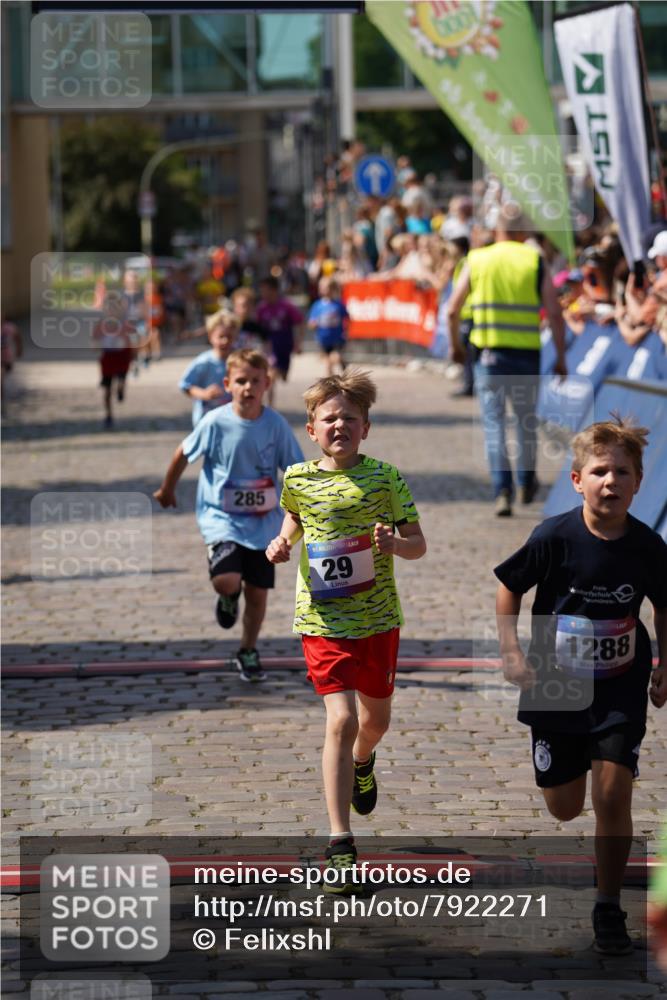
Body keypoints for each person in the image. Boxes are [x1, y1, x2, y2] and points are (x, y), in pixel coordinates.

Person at [494, 416, 667, 955]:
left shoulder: (647, 545)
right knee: (565, 806)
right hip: (557, 683)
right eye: (599, 471)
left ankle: (608, 905)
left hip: (621, 682)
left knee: (613, 793)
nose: (610, 481)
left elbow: (664, 604)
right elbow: (508, 586)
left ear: (639, 482)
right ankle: (574, 804)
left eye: (622, 472)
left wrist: (665, 662)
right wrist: (511, 650)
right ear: (576, 480)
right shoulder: (554, 535)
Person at [266, 370, 426, 889]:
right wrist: (282, 542)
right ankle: (340, 840)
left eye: (349, 419)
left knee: (373, 721)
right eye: (329, 418)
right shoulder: (297, 478)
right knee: (340, 719)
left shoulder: (387, 478)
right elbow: (294, 517)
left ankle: (364, 761)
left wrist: (393, 545)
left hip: (378, 620)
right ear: (312, 429)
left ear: (366, 428)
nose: (340, 425)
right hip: (322, 618)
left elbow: (418, 543)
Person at [154, 349, 304, 682]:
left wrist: (309, 504)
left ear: (266, 384)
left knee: (258, 594)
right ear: (227, 384)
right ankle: (227, 596)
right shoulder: (215, 421)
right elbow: (184, 452)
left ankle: (248, 649)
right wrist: (167, 489)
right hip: (221, 517)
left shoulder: (276, 425)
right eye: (241, 381)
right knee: (227, 580)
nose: (248, 387)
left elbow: (295, 470)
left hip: (264, 523)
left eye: (255, 381)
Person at [447, 204, 568, 517]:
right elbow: (554, 311)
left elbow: (452, 308)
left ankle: (502, 491)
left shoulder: (477, 259)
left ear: (497, 229)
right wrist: (561, 357)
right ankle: (527, 480)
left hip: (488, 357)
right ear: (524, 231)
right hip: (527, 355)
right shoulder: (534, 259)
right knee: (525, 422)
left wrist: (455, 348)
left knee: (494, 425)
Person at [178, 309, 238, 426]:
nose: (225, 341)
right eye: (221, 336)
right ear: (211, 336)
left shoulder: (238, 361)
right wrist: (204, 394)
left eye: (229, 337)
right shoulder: (204, 362)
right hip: (206, 421)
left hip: (232, 420)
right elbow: (185, 385)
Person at [92, 292, 136, 428]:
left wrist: (133, 354)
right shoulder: (100, 325)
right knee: (107, 389)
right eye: (109, 308)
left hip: (122, 355)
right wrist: (96, 347)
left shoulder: (124, 324)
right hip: (108, 357)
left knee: (121, 379)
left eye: (115, 308)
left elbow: (132, 339)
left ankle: (121, 389)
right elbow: (95, 340)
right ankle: (108, 414)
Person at [256, 275, 304, 394]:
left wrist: (298, 343)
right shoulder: (262, 308)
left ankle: (281, 374)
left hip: (285, 344)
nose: (263, 294)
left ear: (274, 290)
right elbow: (257, 327)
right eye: (261, 291)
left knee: (282, 375)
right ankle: (269, 406)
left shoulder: (286, 306)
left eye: (265, 290)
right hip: (270, 346)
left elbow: (300, 323)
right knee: (271, 372)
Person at [307, 277, 349, 377]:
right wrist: (313, 324)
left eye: (327, 288)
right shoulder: (317, 305)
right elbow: (311, 322)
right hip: (323, 339)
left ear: (333, 289)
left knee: (335, 357)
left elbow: (346, 318)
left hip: (336, 338)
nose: (324, 290)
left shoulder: (338, 304)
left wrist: (346, 331)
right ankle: (330, 383)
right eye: (322, 287)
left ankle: (340, 364)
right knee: (327, 363)